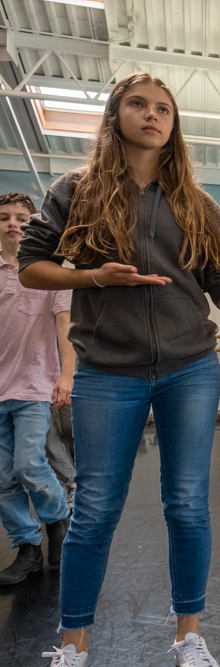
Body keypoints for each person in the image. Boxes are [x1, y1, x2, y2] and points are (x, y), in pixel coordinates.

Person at [18, 72, 220, 667]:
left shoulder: (197, 203)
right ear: (115, 115)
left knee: (187, 504)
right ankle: (72, 641)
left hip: (189, 368)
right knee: (95, 509)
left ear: (174, 125)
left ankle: (190, 635)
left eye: (164, 108)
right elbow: (32, 268)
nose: (152, 115)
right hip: (107, 371)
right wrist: (92, 277)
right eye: (138, 104)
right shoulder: (75, 191)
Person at [0, 192, 73, 586]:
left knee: (29, 464)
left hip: (33, 387)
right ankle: (26, 548)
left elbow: (66, 332)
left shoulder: (51, 274)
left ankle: (58, 521)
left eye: (22, 218)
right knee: (2, 477)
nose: (13, 223)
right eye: (5, 217)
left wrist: (66, 375)